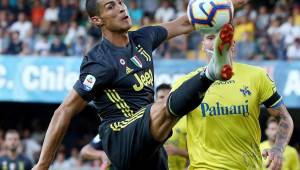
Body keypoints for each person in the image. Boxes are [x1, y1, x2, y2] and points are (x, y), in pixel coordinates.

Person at [33, 0, 248, 169]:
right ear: (97, 20)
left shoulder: (143, 38)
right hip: (120, 136)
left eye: (120, 2)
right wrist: (43, 164)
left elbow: (184, 23)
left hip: (150, 145)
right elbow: (65, 110)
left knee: (161, 112)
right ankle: (210, 72)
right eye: (111, 6)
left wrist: (227, 4)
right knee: (164, 106)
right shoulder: (99, 61)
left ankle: (211, 71)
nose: (121, 8)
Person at [171, 33, 294, 170]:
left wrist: (278, 149)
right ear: (203, 45)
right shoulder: (186, 83)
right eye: (211, 38)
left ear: (233, 45)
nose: (217, 43)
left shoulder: (256, 76)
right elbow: (163, 126)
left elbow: (284, 117)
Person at [156, 84, 189, 170]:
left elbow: (196, 154)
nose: (164, 101)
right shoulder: (148, 123)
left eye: (168, 97)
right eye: (161, 97)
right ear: (156, 99)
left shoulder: (185, 120)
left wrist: (176, 151)